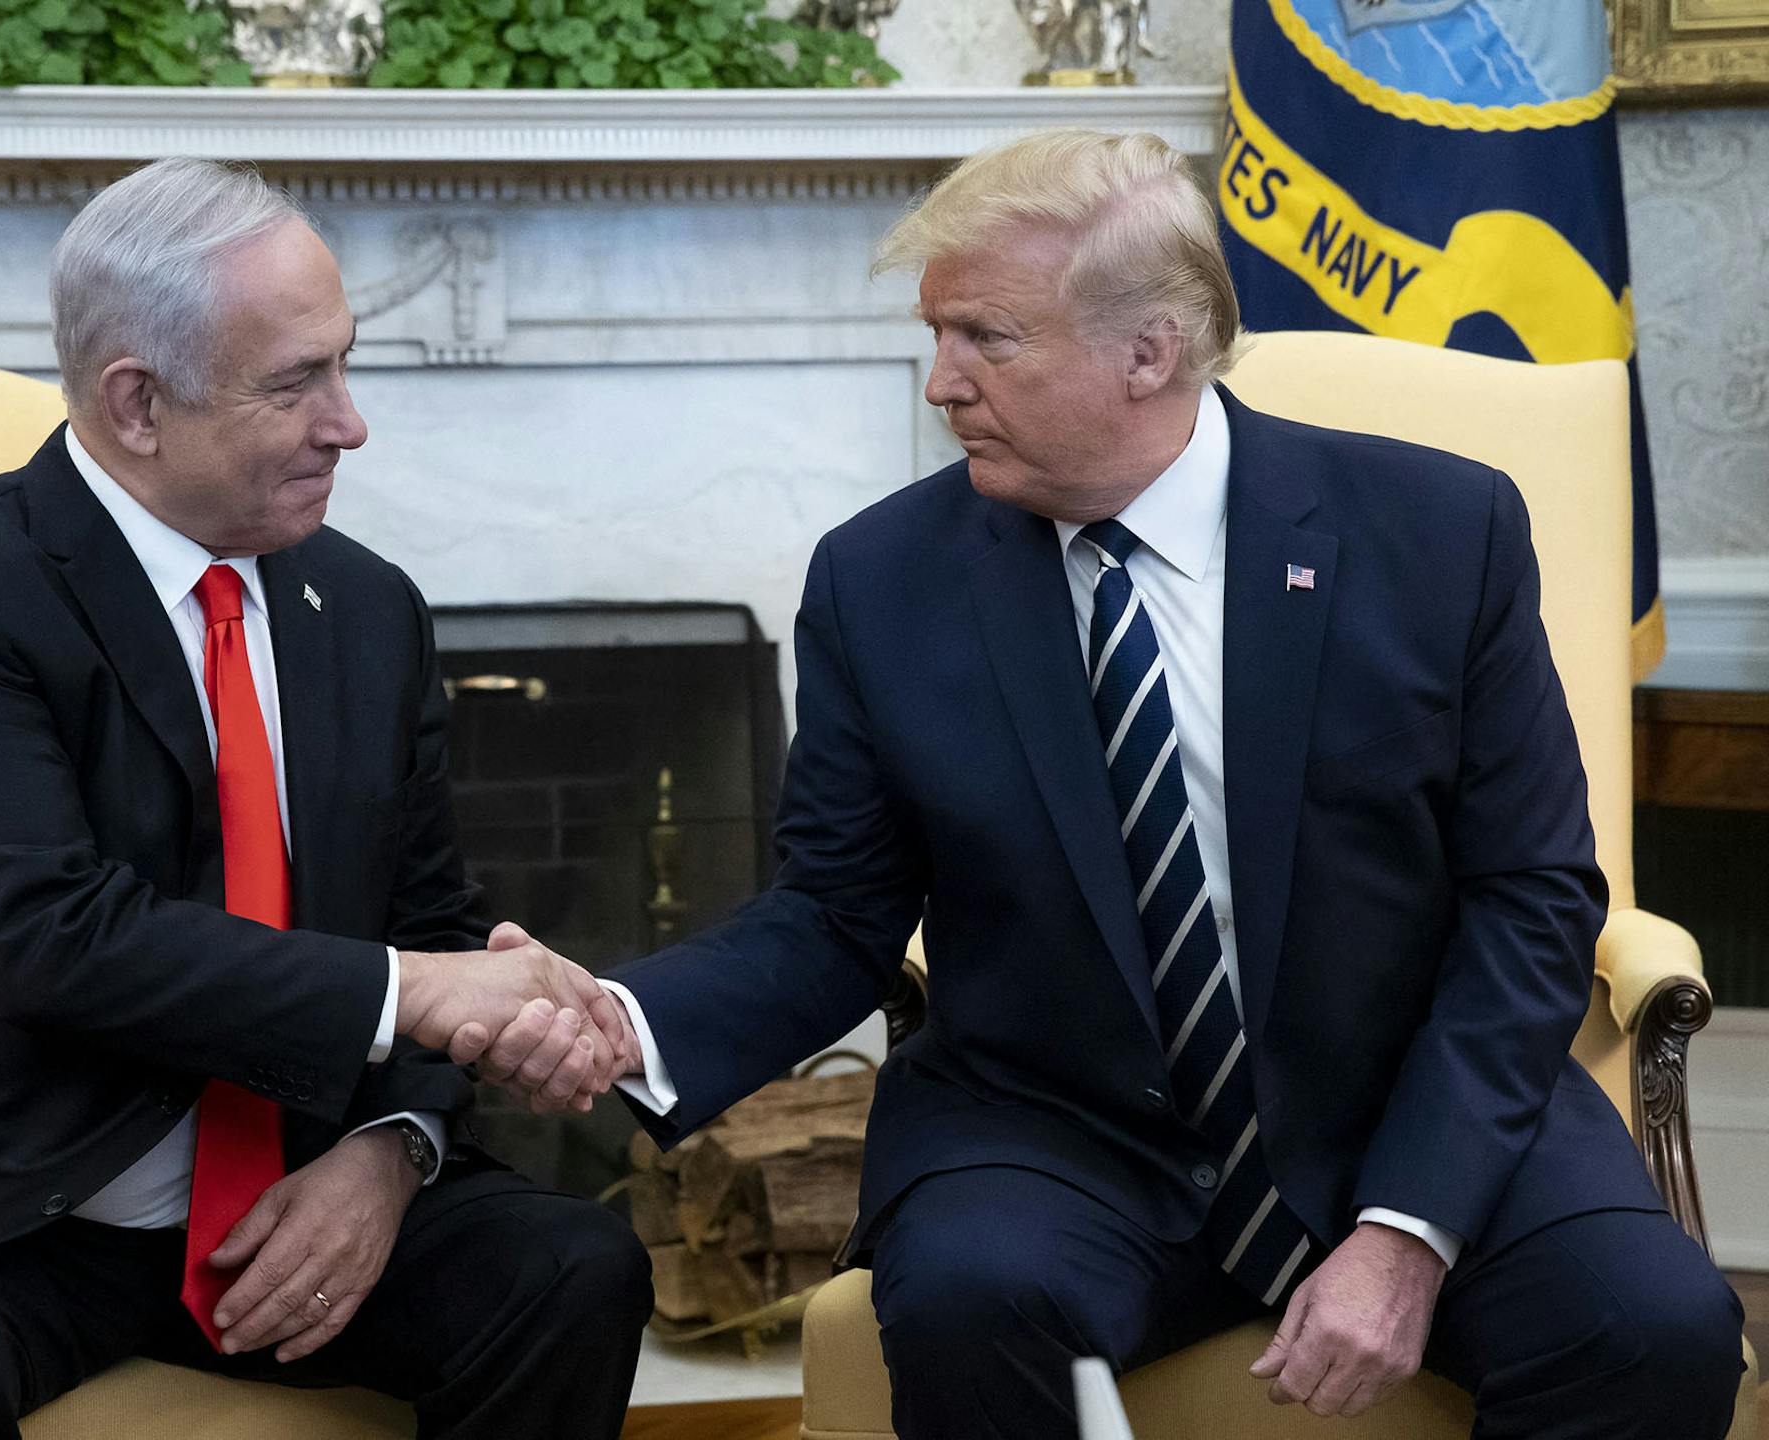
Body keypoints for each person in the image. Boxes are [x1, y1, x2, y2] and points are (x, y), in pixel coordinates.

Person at [476, 129, 1747, 1437]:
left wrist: (1409, 1223)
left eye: (986, 339)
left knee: (1652, 1331)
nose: (941, 383)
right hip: (1059, 1129)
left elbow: (1531, 894)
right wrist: (628, 1023)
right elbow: (837, 912)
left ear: (1152, 351)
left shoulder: (1436, 534)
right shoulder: (884, 580)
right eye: (936, 335)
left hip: (1401, 1097)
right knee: (972, 1300)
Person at [0, 157, 650, 1440]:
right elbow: (45, 934)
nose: (349, 423)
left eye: (345, 364)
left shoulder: (367, 608)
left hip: (276, 1201)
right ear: (137, 403)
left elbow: (431, 921)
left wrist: (390, 1154)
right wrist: (418, 992)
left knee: (571, 1271)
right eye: (296, 383)